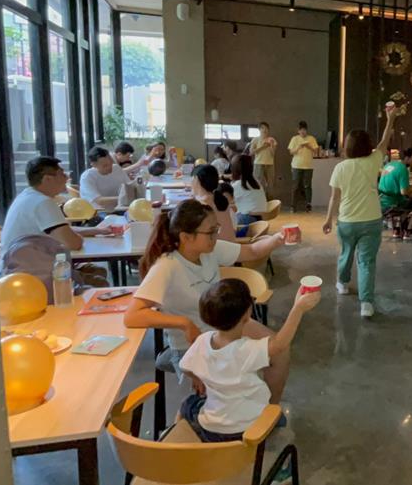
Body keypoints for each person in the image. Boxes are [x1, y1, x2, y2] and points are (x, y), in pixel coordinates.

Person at [124, 199, 285, 375]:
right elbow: (132, 316)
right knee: (237, 382)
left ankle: (268, 395)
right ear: (186, 237)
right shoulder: (167, 266)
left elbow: (253, 251)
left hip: (223, 328)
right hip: (192, 345)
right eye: (210, 232)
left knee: (280, 351)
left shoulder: (210, 249)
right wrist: (184, 323)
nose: (215, 236)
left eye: (216, 229)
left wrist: (277, 239)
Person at [178, 278, 320, 442]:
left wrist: (198, 378)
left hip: (212, 430)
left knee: (188, 404)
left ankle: (179, 443)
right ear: (247, 314)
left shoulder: (202, 341)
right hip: (253, 426)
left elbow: (184, 367)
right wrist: (298, 308)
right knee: (274, 415)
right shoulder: (247, 349)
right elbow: (280, 344)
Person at [323, 106, 397, 319]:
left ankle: (342, 283)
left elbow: (334, 197)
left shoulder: (340, 168)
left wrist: (328, 220)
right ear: (368, 145)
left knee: (346, 253)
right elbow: (384, 141)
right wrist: (390, 119)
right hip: (371, 220)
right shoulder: (373, 160)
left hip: (347, 221)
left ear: (347, 146)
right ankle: (366, 304)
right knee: (366, 262)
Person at [0, 156, 112, 254]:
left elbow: (61, 230)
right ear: (47, 179)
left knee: (94, 270)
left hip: (19, 266)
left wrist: (95, 230)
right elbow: (73, 243)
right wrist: (79, 239)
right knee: (95, 273)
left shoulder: (27, 196)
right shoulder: (42, 202)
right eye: (62, 174)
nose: (67, 178)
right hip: (28, 269)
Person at [378, 147, 412, 239]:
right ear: (407, 158)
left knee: (409, 201)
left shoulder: (389, 164)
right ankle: (409, 231)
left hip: (381, 200)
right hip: (393, 202)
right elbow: (404, 191)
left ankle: (397, 229)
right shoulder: (402, 169)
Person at [192, 165, 236, 241]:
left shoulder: (201, 204)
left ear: (197, 180)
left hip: (214, 246)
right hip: (229, 245)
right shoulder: (218, 198)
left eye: (192, 179)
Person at [78, 146, 131, 211]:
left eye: (111, 163)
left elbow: (130, 186)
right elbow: (100, 201)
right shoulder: (87, 177)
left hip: (119, 209)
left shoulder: (116, 168)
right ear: (94, 165)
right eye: (105, 166)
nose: (110, 167)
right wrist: (125, 198)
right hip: (98, 212)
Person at [230, 154, 268, 237]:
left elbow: (223, 201)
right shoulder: (256, 183)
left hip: (246, 222)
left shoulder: (238, 185)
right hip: (260, 221)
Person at [287, 120, 318, 213]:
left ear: (306, 130)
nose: (303, 131)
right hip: (296, 165)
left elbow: (316, 151)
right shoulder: (294, 139)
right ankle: (293, 206)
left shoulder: (311, 138)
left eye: (304, 130)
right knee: (295, 186)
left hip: (308, 166)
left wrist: (308, 146)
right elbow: (291, 152)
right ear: (298, 130)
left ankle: (308, 204)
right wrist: (299, 147)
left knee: (307, 185)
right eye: (301, 130)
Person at [248, 122, 277, 197]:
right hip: (258, 163)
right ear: (259, 129)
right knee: (258, 182)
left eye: (266, 128)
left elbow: (273, 154)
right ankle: (259, 199)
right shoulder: (255, 139)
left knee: (270, 183)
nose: (264, 130)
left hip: (270, 164)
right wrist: (263, 147)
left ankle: (270, 199)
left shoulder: (272, 139)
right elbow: (251, 153)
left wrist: (271, 145)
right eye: (262, 128)